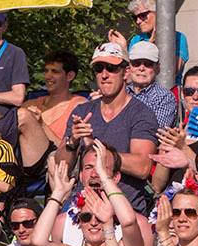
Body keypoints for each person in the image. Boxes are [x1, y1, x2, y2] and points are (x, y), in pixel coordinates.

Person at [64, 43, 158, 214]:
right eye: (99, 68)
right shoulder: (82, 111)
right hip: (83, 208)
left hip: (124, 211)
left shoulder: (141, 114)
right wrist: (72, 141)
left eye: (111, 68)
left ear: (126, 72)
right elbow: (61, 166)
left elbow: (143, 167)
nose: (104, 75)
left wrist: (98, 149)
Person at [119, 0, 189, 67]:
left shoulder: (178, 38)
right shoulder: (136, 40)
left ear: (158, 13)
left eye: (142, 15)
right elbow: (131, 72)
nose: (138, 21)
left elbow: (173, 69)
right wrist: (123, 49)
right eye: (135, 17)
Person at [26, 50, 84, 143]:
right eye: (46, 71)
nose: (48, 76)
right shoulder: (32, 104)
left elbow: (67, 149)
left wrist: (41, 124)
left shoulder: (80, 106)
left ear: (70, 76)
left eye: (55, 72)